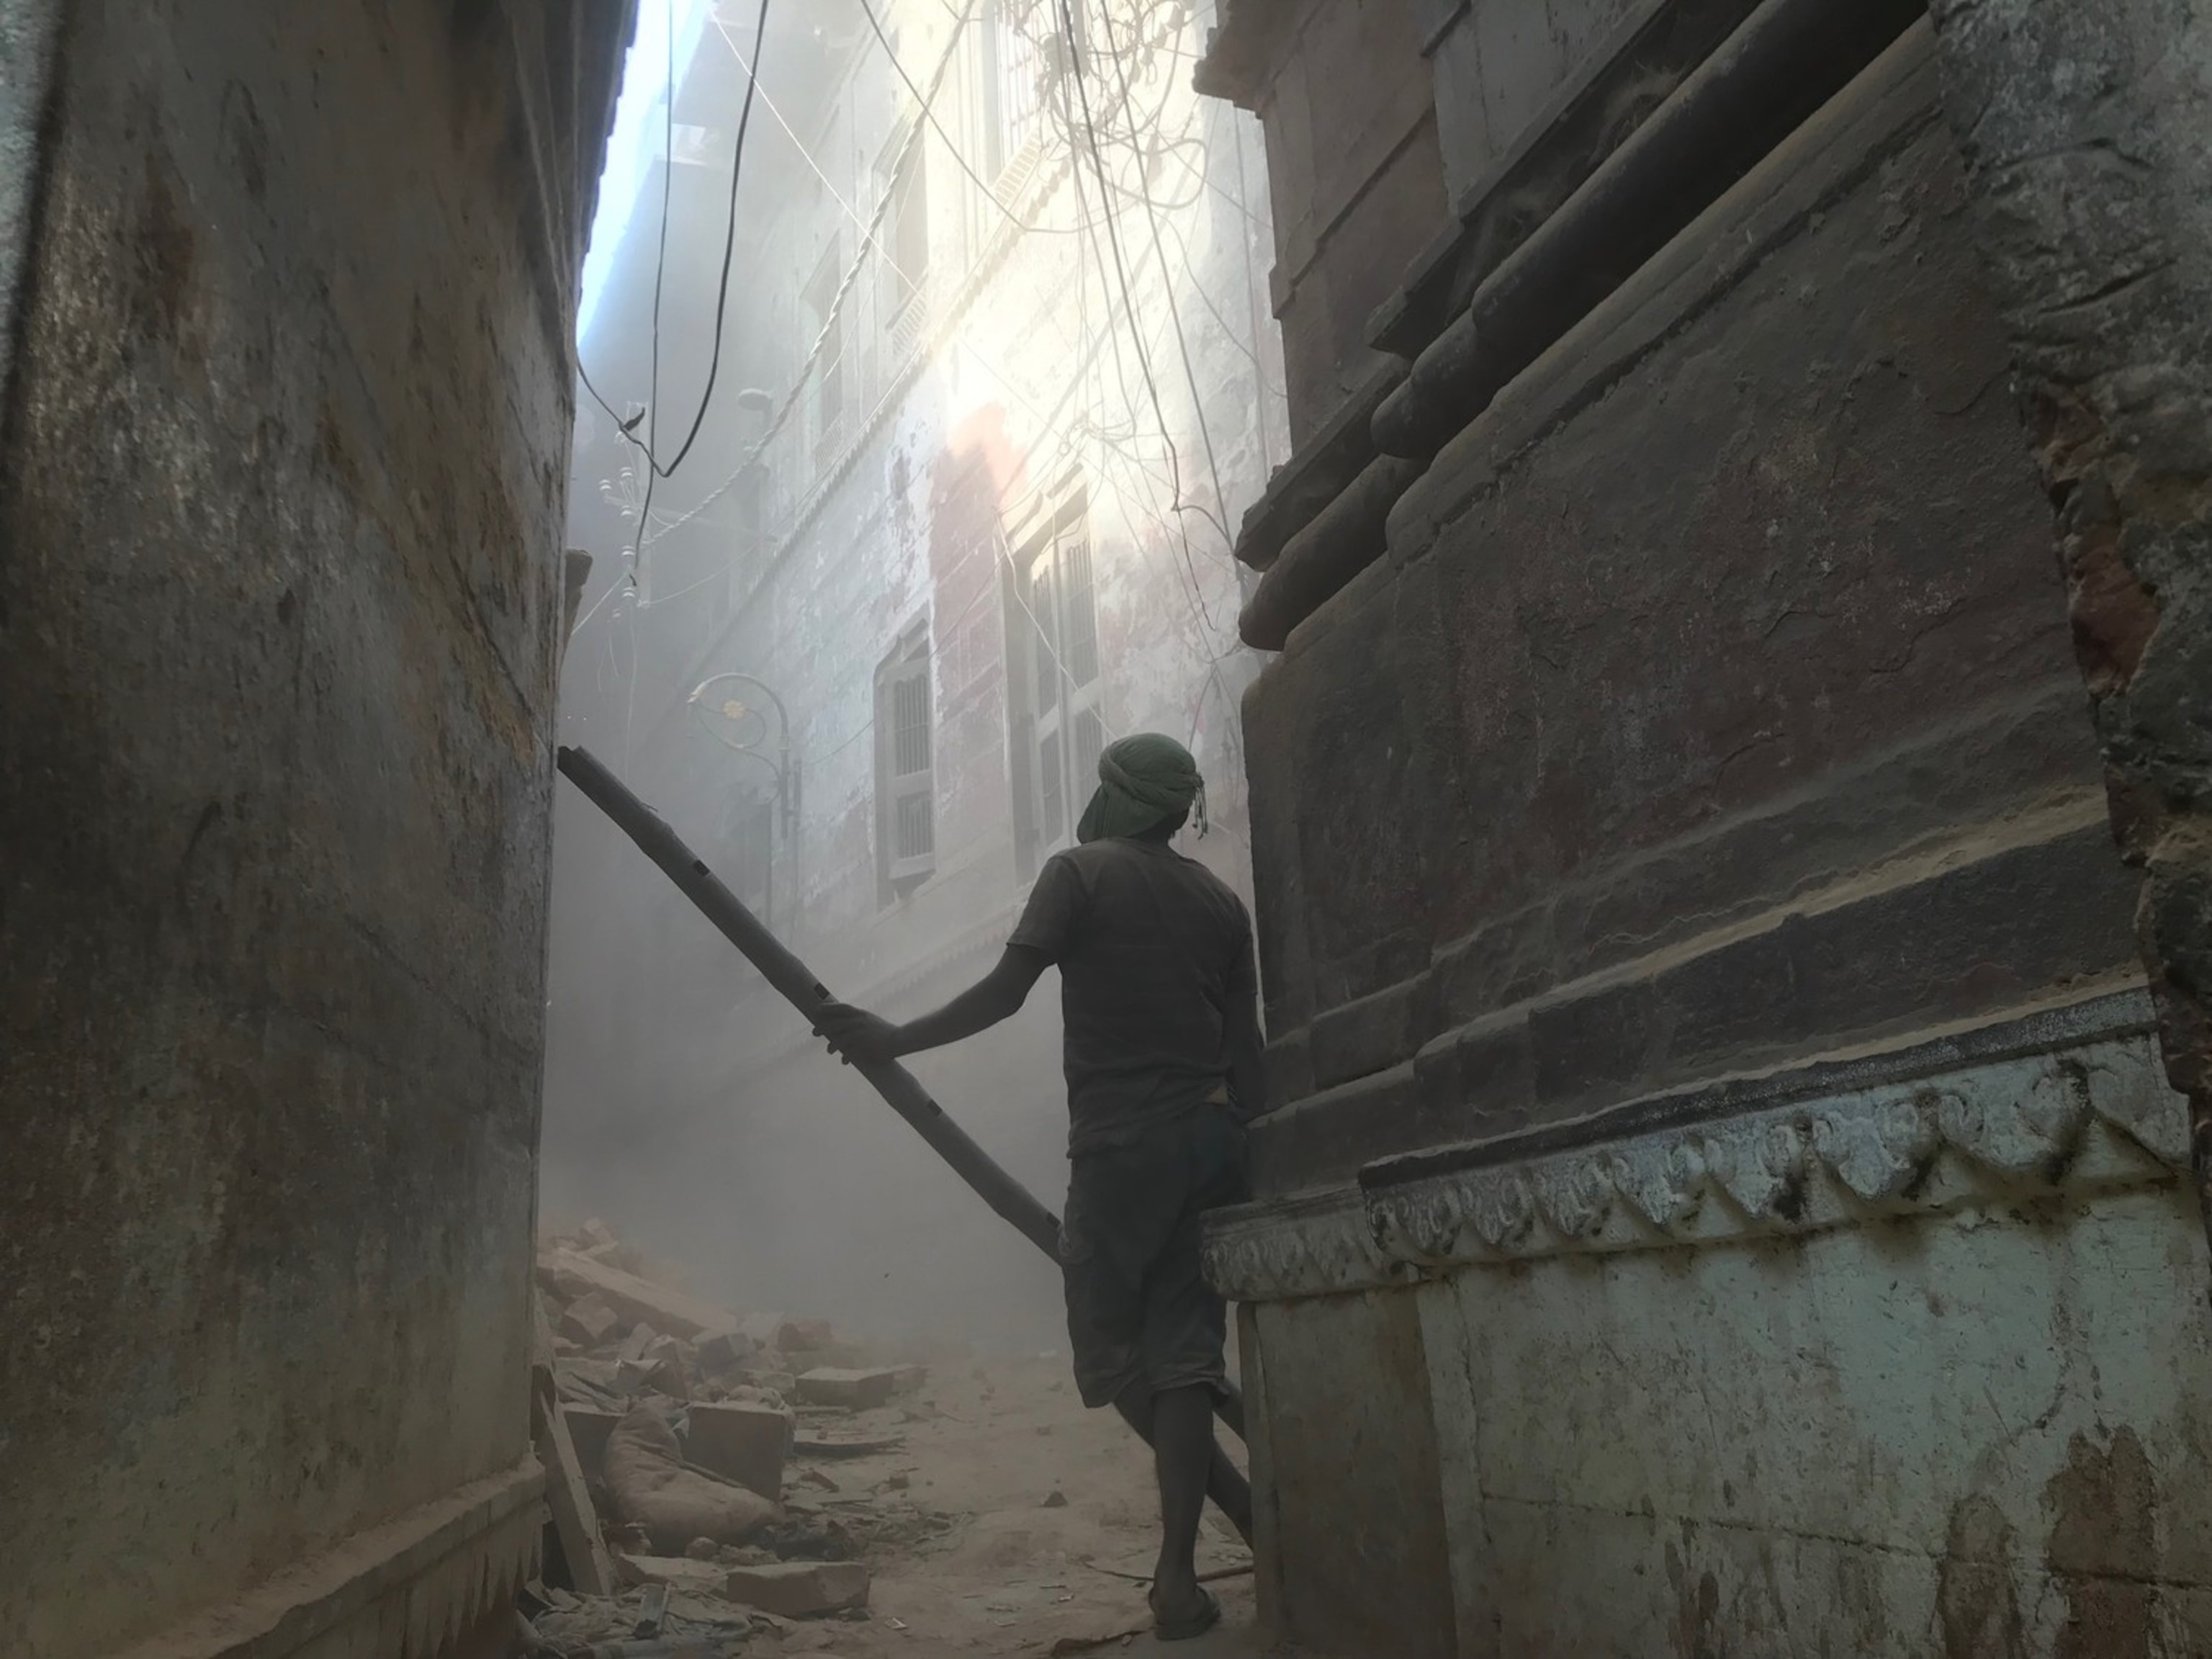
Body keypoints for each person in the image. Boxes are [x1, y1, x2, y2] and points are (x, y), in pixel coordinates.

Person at [813, 732, 1264, 1642]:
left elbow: (1003, 994)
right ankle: (1184, 1575)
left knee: (1113, 1354)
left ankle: (1249, 1522)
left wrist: (890, 1037)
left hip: (1121, 1147)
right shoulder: (1221, 904)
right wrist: (1252, 1158)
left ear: (1116, 797)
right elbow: (1248, 1055)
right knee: (1185, 1354)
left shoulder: (1078, 874)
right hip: (1212, 1145)